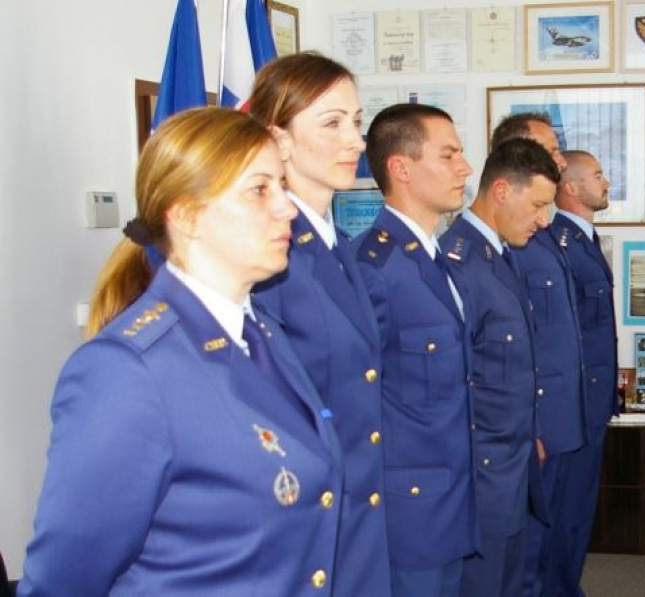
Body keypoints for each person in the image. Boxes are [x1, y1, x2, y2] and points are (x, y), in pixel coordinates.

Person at [18, 108, 344, 595]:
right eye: (260, 189)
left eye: (282, 185)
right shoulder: (127, 371)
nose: (287, 208)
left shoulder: (262, 334)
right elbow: (63, 581)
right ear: (188, 216)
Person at [249, 52, 391, 597]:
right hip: (306, 525)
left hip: (356, 516)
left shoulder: (337, 247)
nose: (356, 141)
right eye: (332, 123)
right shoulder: (270, 257)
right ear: (279, 140)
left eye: (356, 121)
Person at [354, 103, 478, 597]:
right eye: (448, 155)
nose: (465, 167)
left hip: (450, 494)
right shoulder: (374, 268)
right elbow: (354, 402)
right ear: (401, 168)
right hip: (406, 509)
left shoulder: (434, 257)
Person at [440, 138, 560, 597]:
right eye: (538, 205)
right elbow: (457, 382)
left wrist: (530, 433)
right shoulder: (459, 263)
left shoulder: (499, 256)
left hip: (512, 462)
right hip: (482, 472)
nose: (544, 220)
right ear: (503, 191)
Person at [489, 113, 588, 597]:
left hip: (563, 416)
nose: (560, 159)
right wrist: (534, 424)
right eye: (550, 150)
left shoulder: (544, 231)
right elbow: (515, 349)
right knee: (527, 551)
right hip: (540, 420)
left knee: (552, 542)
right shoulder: (514, 241)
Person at [548, 150, 619, 597]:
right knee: (567, 514)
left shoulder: (584, 240)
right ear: (570, 187)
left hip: (592, 403)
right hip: (574, 407)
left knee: (578, 512)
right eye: (597, 175)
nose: (606, 182)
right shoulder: (559, 245)